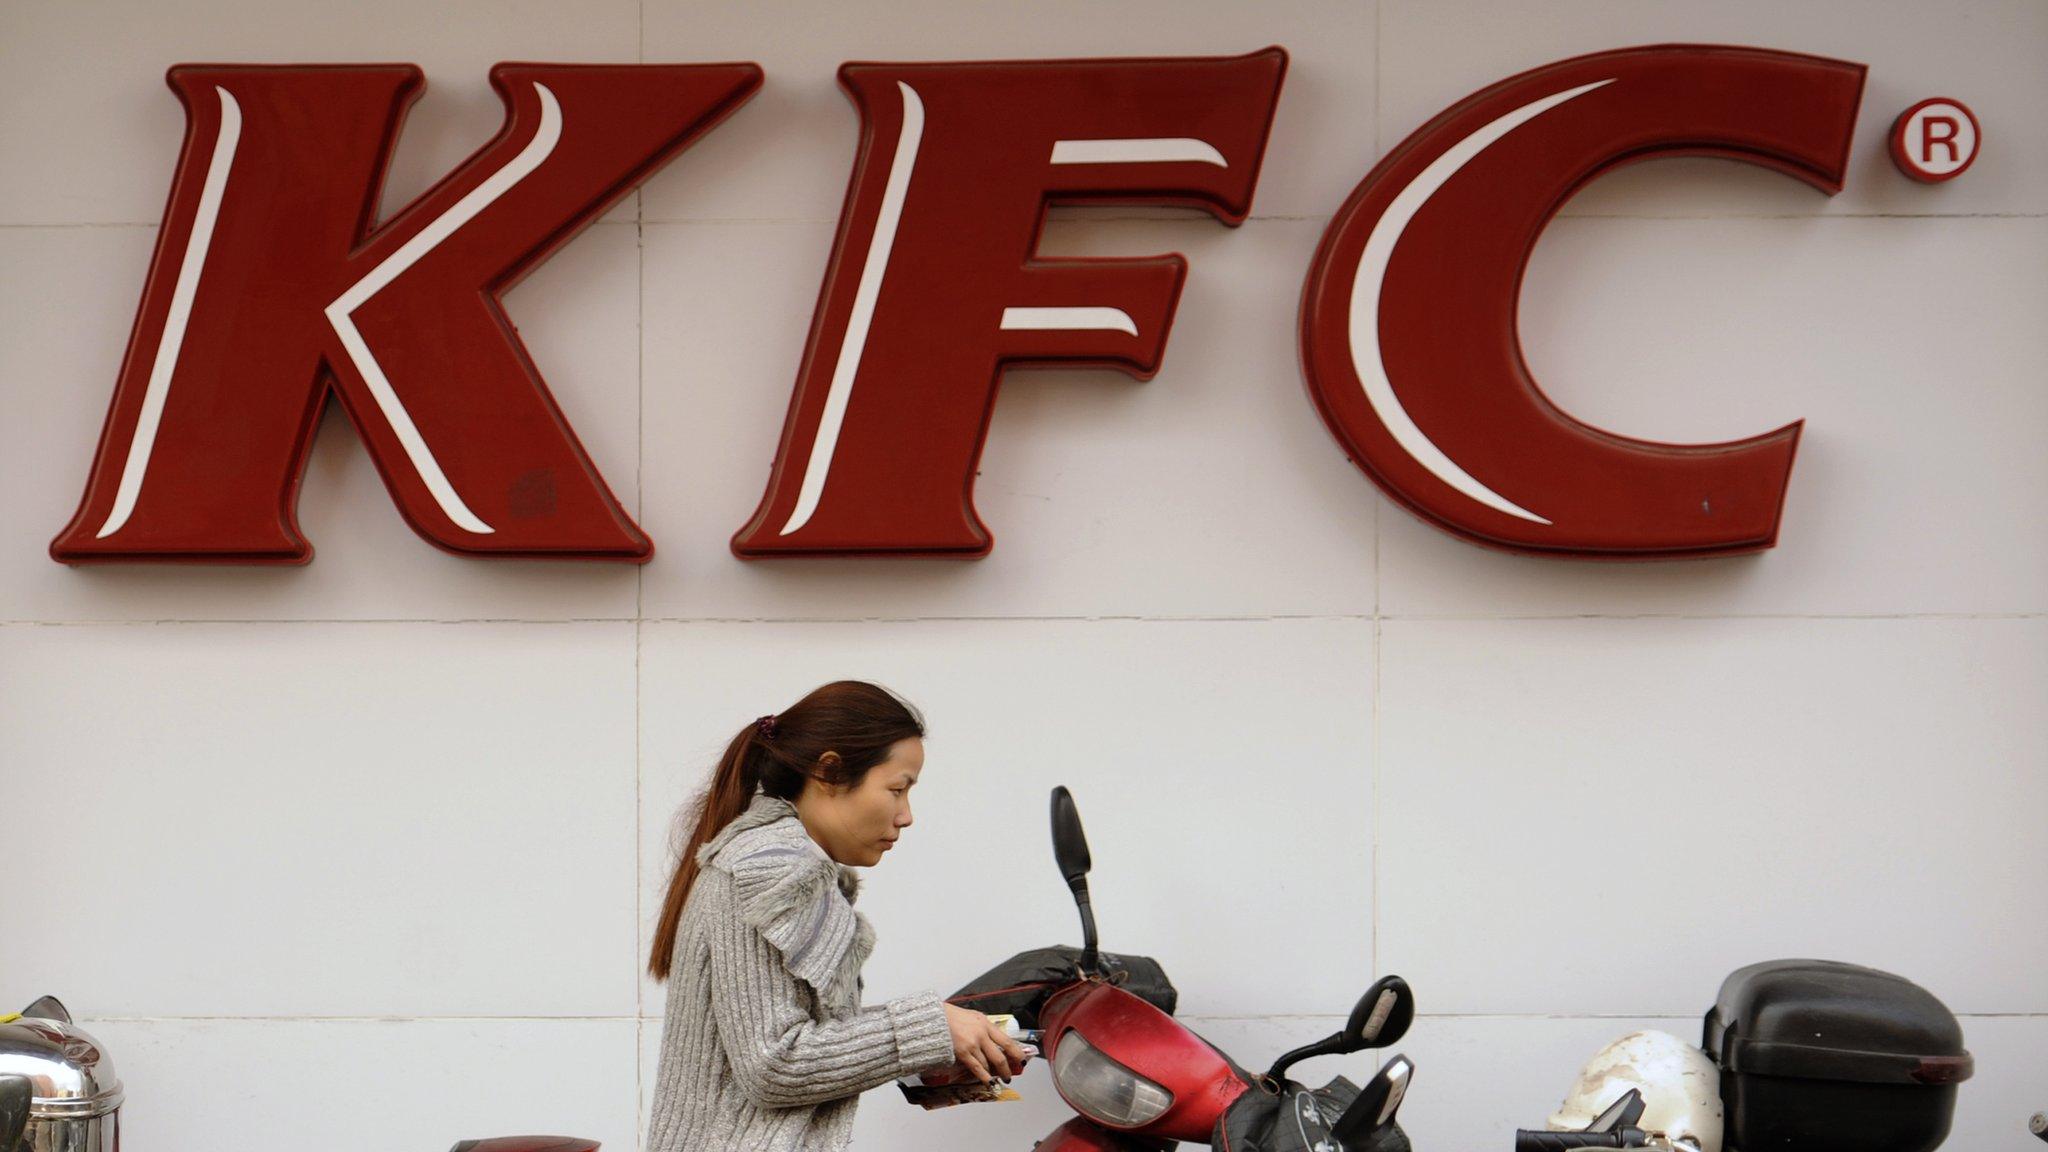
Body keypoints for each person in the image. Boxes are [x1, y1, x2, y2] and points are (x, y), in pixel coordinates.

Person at [644, 680, 1030, 1152]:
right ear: (828, 772)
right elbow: (774, 1065)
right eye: (896, 789)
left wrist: (936, 1037)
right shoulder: (771, 866)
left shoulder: (773, 860)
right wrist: (928, 1027)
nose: (906, 815)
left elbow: (792, 1041)